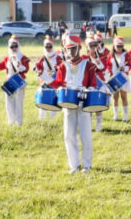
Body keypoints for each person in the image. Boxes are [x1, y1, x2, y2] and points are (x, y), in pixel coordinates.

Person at [49, 35, 98, 173]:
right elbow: (58, 83)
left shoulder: (88, 65)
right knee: (69, 135)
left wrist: (88, 90)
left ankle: (87, 165)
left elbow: (93, 84)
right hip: (68, 104)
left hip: (83, 104)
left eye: (73, 49)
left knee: (85, 135)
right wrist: (49, 81)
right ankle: (74, 165)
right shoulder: (63, 66)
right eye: (68, 49)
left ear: (80, 48)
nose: (70, 52)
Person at [0, 35, 30, 126]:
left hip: (18, 80)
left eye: (15, 46)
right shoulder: (7, 58)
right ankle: (11, 121)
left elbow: (26, 69)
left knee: (18, 102)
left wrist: (19, 65)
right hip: (9, 81)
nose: (14, 48)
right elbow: (0, 67)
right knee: (9, 101)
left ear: (18, 46)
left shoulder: (23, 57)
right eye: (11, 46)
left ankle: (19, 122)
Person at [34, 35, 63, 119]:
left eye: (50, 46)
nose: (48, 48)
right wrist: (37, 71)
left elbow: (62, 70)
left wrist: (57, 69)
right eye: (46, 46)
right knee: (43, 99)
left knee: (53, 100)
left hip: (54, 81)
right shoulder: (41, 58)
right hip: (44, 81)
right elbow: (38, 69)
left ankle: (52, 120)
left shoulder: (58, 58)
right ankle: (41, 119)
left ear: (53, 46)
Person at [85, 34, 109, 132]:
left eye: (95, 44)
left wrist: (99, 63)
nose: (93, 47)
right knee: (89, 104)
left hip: (99, 81)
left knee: (98, 105)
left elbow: (104, 68)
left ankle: (99, 124)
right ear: (87, 46)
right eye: (91, 45)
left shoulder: (102, 56)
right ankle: (89, 125)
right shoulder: (84, 57)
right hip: (89, 83)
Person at [108, 36, 131, 121]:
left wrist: (124, 68)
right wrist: (108, 73)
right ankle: (116, 115)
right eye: (118, 46)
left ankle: (125, 116)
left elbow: (130, 65)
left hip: (123, 77)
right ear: (114, 46)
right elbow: (108, 66)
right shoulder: (110, 55)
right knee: (115, 97)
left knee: (124, 97)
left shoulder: (126, 54)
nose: (120, 48)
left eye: (121, 46)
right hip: (114, 77)